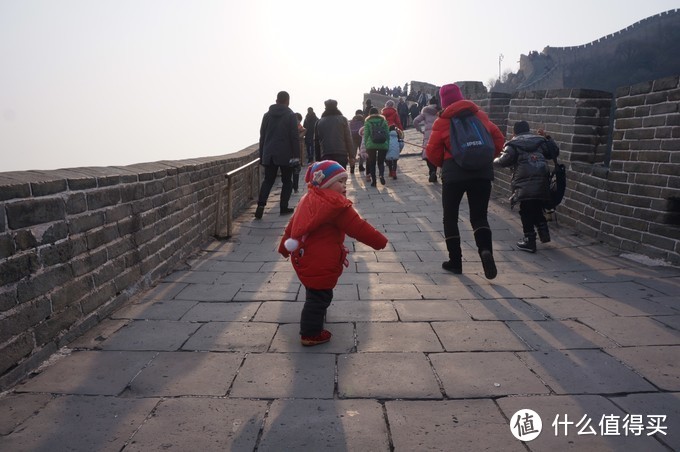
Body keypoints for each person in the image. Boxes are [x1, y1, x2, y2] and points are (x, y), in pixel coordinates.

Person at [278, 160, 388, 346]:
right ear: (326, 183)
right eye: (340, 181)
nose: (344, 185)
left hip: (304, 258)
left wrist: (284, 247)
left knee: (314, 291)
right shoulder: (337, 205)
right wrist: (380, 242)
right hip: (323, 261)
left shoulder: (308, 199)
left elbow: (293, 227)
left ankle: (315, 317)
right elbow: (359, 228)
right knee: (320, 297)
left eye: (345, 181)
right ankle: (310, 333)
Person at [425, 83, 505, 279]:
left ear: (443, 102)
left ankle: (455, 262)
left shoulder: (442, 121)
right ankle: (485, 251)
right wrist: (484, 158)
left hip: (454, 175)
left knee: (450, 217)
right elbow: (499, 139)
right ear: (461, 97)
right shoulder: (480, 115)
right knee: (479, 217)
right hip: (482, 173)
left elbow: (432, 152)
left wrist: (443, 164)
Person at [494, 121, 560, 253]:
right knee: (536, 205)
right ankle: (544, 232)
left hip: (523, 181)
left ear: (514, 132)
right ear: (528, 130)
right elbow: (554, 152)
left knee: (525, 210)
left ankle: (529, 240)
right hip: (542, 177)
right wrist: (547, 137)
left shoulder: (513, 144)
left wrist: (493, 160)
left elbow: (503, 161)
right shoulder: (540, 141)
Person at [255, 90, 299, 219]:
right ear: (288, 101)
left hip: (269, 154)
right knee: (287, 181)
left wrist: (262, 155)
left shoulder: (267, 115)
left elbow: (262, 136)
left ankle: (261, 206)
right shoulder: (291, 115)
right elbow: (294, 137)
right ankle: (283, 207)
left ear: (276, 100)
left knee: (268, 180)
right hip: (286, 154)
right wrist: (296, 156)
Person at [314, 99, 354, 169]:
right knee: (340, 178)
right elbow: (348, 139)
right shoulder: (343, 119)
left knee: (329, 178)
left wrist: (318, 160)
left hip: (326, 154)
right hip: (341, 153)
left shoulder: (319, 122)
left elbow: (316, 142)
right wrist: (351, 156)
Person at [413, 97, 440, 183]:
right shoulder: (439, 111)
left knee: (427, 153)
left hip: (428, 135)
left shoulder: (425, 111)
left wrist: (420, 130)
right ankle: (434, 172)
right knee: (436, 154)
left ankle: (431, 171)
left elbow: (415, 121)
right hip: (438, 134)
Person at [363, 107, 390, 187]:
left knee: (372, 163)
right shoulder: (383, 121)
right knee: (381, 162)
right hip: (382, 143)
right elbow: (387, 134)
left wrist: (366, 144)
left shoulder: (368, 121)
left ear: (370, 114)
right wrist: (387, 143)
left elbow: (366, 135)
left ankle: (374, 181)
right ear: (378, 113)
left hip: (371, 145)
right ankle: (381, 175)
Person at [291, 112, 306, 193]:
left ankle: (295, 187)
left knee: (296, 170)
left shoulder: (299, 127)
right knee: (292, 171)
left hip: (296, 153)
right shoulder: (291, 127)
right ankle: (292, 187)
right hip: (290, 153)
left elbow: (304, 131)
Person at [348, 109, 365, 173]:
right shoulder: (363, 120)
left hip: (353, 138)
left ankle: (352, 167)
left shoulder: (352, 121)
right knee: (361, 152)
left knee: (353, 153)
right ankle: (361, 166)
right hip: (361, 138)